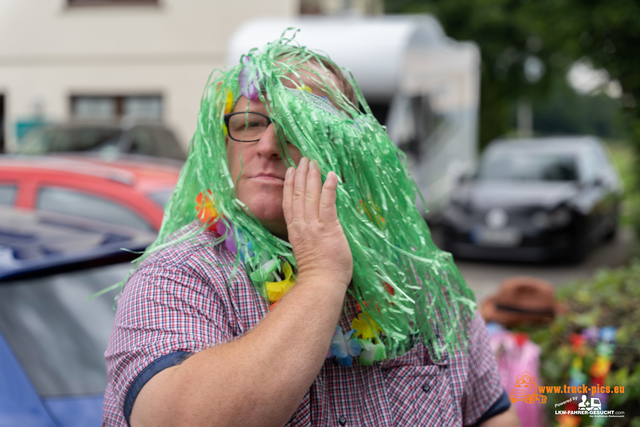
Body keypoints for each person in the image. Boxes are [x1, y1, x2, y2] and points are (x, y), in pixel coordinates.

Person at [103, 34, 520, 426]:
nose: (266, 145)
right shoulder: (178, 274)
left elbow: (490, 413)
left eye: (298, 125)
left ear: (354, 149)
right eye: (249, 122)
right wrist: (322, 276)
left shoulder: (419, 278)